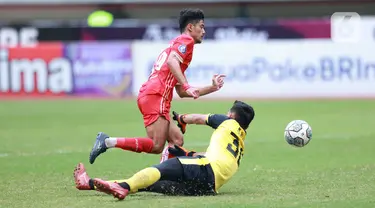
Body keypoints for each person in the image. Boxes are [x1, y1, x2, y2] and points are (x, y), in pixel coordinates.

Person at [89, 8, 226, 165]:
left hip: (154, 95)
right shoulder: (185, 41)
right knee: (156, 145)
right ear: (190, 27)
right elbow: (171, 62)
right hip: (156, 95)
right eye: (201, 26)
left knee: (176, 139)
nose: (203, 31)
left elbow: (181, 92)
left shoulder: (178, 45)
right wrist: (187, 85)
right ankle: (107, 142)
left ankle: (164, 174)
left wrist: (212, 87)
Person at [74, 100, 255, 200]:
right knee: (146, 184)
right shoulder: (239, 145)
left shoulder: (228, 122)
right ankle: (88, 183)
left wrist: (182, 118)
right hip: (207, 187)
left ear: (231, 115)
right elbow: (212, 159)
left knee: (160, 169)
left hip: (205, 170)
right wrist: (188, 154)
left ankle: (122, 188)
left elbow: (200, 118)